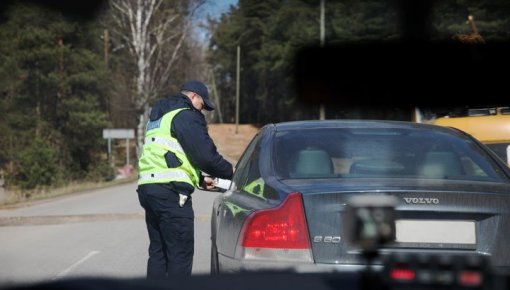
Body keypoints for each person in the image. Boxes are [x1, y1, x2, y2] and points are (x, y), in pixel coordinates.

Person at [137, 80, 233, 278]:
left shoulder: (159, 116)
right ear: (193, 97)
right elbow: (205, 156)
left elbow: (171, 156)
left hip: (149, 191)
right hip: (171, 195)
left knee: (158, 253)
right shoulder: (186, 115)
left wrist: (198, 178)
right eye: (202, 105)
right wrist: (231, 172)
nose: (202, 111)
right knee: (180, 254)